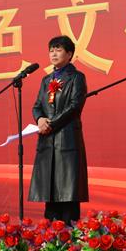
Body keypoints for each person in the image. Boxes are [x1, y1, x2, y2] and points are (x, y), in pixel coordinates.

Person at [28, 35, 88, 223]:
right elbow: (37, 106)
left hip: (67, 139)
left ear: (69, 54)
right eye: (51, 50)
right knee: (50, 192)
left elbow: (75, 106)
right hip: (47, 141)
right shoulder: (46, 80)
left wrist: (51, 124)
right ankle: (50, 237)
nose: (53, 54)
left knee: (67, 192)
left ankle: (69, 235)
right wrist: (40, 119)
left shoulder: (76, 77)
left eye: (58, 50)